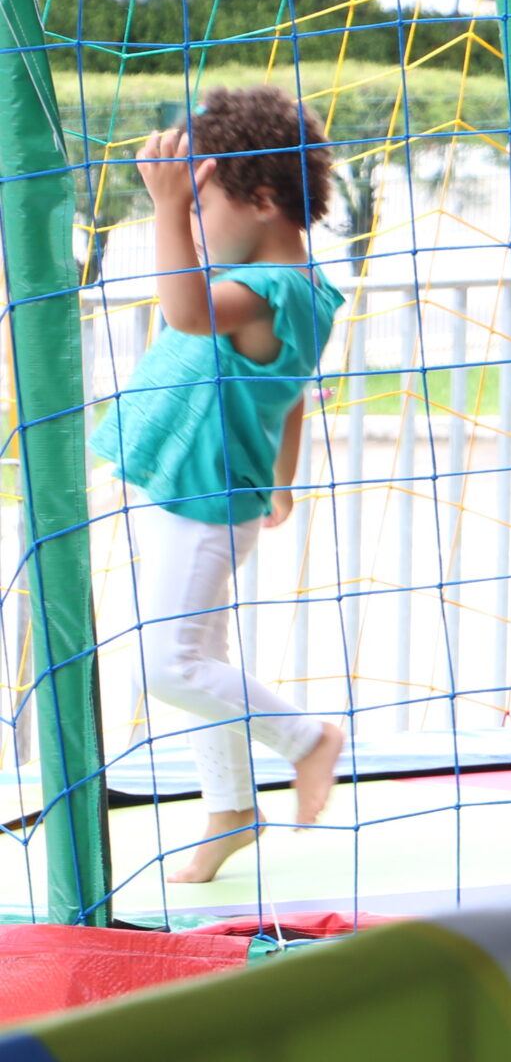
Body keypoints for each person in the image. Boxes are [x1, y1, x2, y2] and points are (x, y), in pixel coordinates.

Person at [89, 88, 346, 883]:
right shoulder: (272, 283)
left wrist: (165, 209)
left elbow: (189, 309)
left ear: (264, 200)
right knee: (203, 654)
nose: (192, 229)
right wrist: (283, 475)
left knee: (170, 665)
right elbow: (292, 391)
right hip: (188, 490)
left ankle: (308, 738)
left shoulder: (278, 291)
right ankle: (233, 808)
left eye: (203, 209)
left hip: (204, 504)